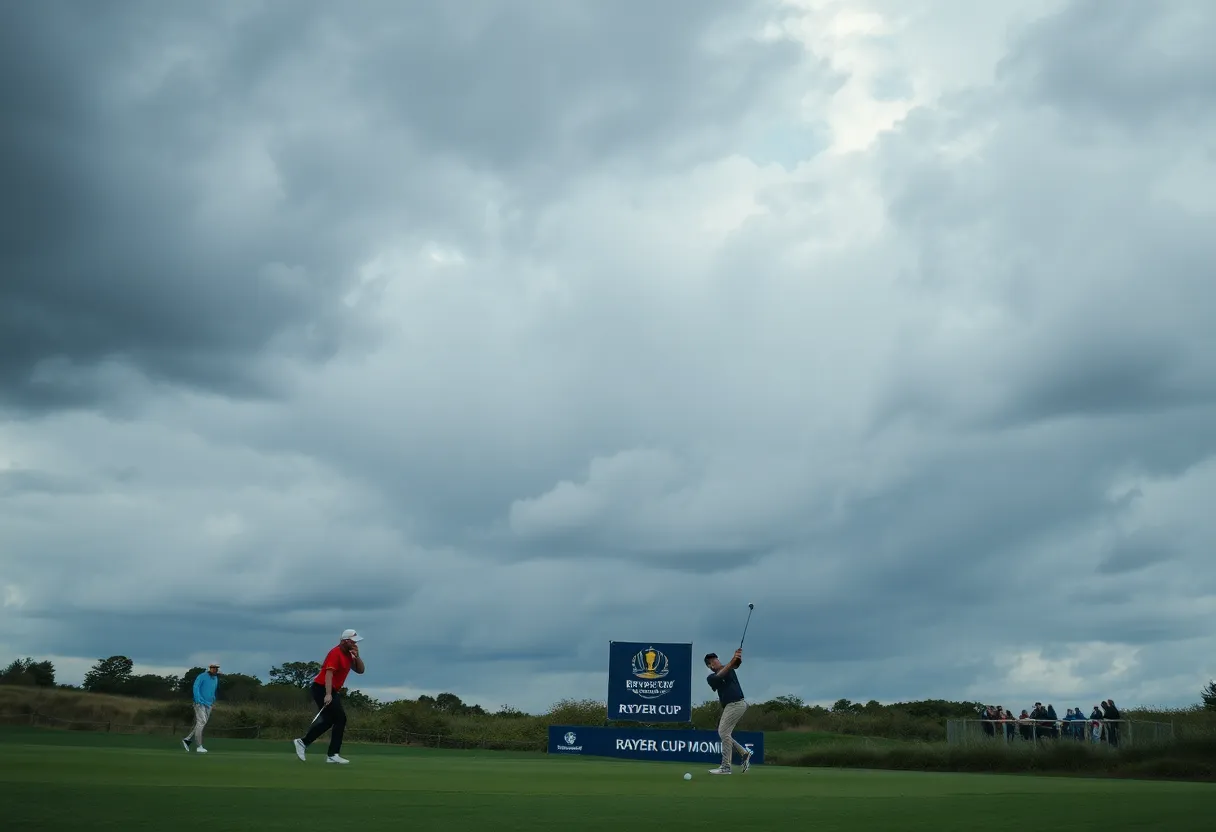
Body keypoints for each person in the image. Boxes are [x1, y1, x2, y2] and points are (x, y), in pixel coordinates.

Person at [293, 629, 365, 764]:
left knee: (329, 720)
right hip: (322, 688)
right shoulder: (335, 653)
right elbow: (329, 674)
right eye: (353, 642)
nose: (355, 644)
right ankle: (332, 754)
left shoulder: (350, 655)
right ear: (345, 641)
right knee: (340, 718)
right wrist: (328, 694)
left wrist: (357, 657)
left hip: (331, 689)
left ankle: (303, 742)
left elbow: (360, 670)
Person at [703, 648, 753, 775]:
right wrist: (732, 661)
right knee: (725, 734)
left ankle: (725, 767)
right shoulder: (711, 678)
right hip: (731, 706)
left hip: (736, 703)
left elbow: (736, 664)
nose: (716, 661)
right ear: (710, 666)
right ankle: (744, 753)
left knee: (723, 732)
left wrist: (737, 658)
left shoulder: (729, 669)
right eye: (713, 661)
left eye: (716, 659)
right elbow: (720, 675)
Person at [182, 662, 220, 754]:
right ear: (209, 668)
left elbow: (213, 689)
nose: (214, 669)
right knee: (202, 722)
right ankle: (199, 746)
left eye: (216, 668)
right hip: (200, 703)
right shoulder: (202, 676)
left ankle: (187, 739)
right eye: (213, 668)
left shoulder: (215, 678)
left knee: (201, 723)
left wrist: (213, 699)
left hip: (209, 704)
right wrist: (198, 699)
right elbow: (196, 687)